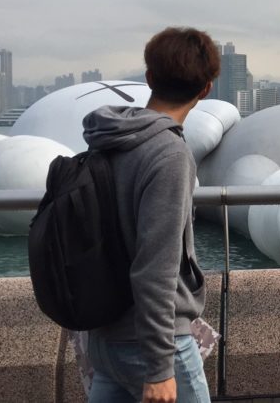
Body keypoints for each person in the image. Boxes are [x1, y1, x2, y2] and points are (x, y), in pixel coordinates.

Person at [82, 27, 220, 403]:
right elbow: (156, 267)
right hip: (154, 345)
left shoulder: (108, 139)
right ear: (206, 89)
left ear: (149, 78)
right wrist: (160, 368)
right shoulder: (170, 154)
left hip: (105, 336)